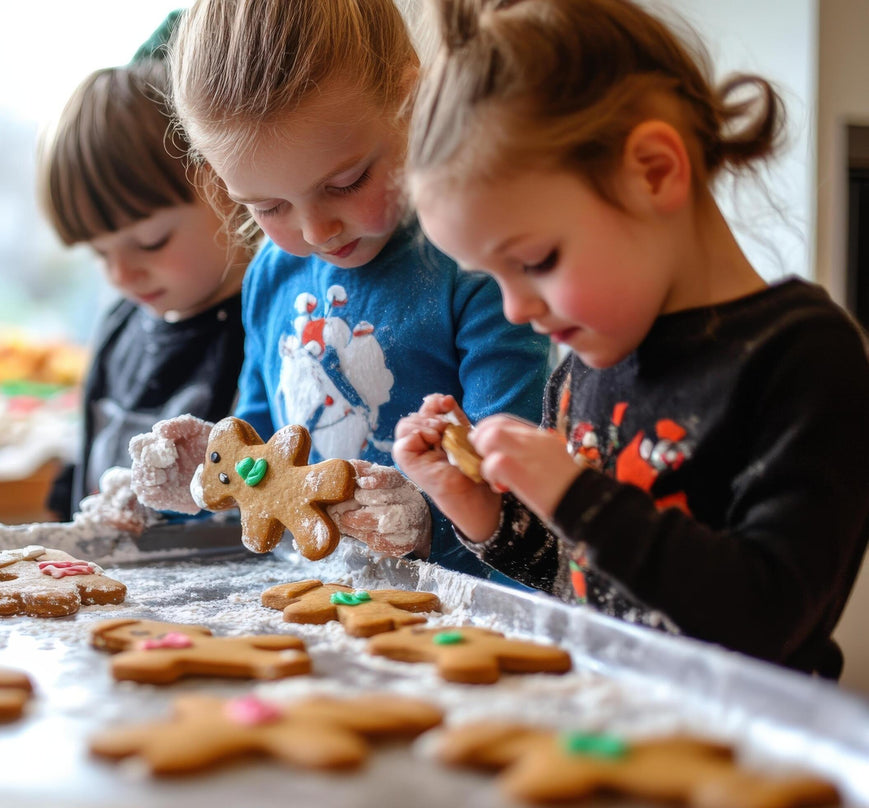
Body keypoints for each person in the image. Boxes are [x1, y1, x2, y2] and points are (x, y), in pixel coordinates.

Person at [393, 0, 869, 676]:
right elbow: (582, 581)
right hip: (606, 721)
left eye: (533, 262)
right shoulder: (581, 369)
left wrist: (572, 493)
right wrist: (482, 514)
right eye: (491, 277)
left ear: (652, 171)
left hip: (744, 754)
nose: (516, 308)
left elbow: (769, 616)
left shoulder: (799, 357)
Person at [131, 0, 550, 575]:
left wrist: (423, 520)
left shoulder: (474, 264)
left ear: (413, 103)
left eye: (347, 182)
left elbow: (520, 498)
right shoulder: (271, 274)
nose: (315, 230)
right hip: (314, 595)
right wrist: (201, 477)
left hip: (461, 610)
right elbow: (259, 452)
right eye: (268, 206)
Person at [39, 54, 253, 523]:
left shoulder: (260, 327)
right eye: (100, 254)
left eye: (149, 242)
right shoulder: (120, 324)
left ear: (223, 182)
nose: (121, 274)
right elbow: (88, 457)